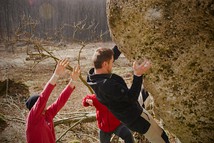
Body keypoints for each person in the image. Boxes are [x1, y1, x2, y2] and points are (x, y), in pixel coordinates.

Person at [87, 47, 170, 143]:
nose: (113, 64)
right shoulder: (107, 85)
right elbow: (132, 97)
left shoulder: (92, 76)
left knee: (145, 91)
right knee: (161, 137)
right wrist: (137, 75)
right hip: (136, 117)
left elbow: (108, 56)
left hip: (126, 113)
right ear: (105, 64)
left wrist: (120, 45)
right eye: (111, 62)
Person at [25, 59, 80, 143]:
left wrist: (73, 81)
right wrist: (56, 74)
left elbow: (60, 101)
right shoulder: (33, 117)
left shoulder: (47, 114)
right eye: (40, 103)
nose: (45, 104)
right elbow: (44, 95)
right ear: (35, 106)